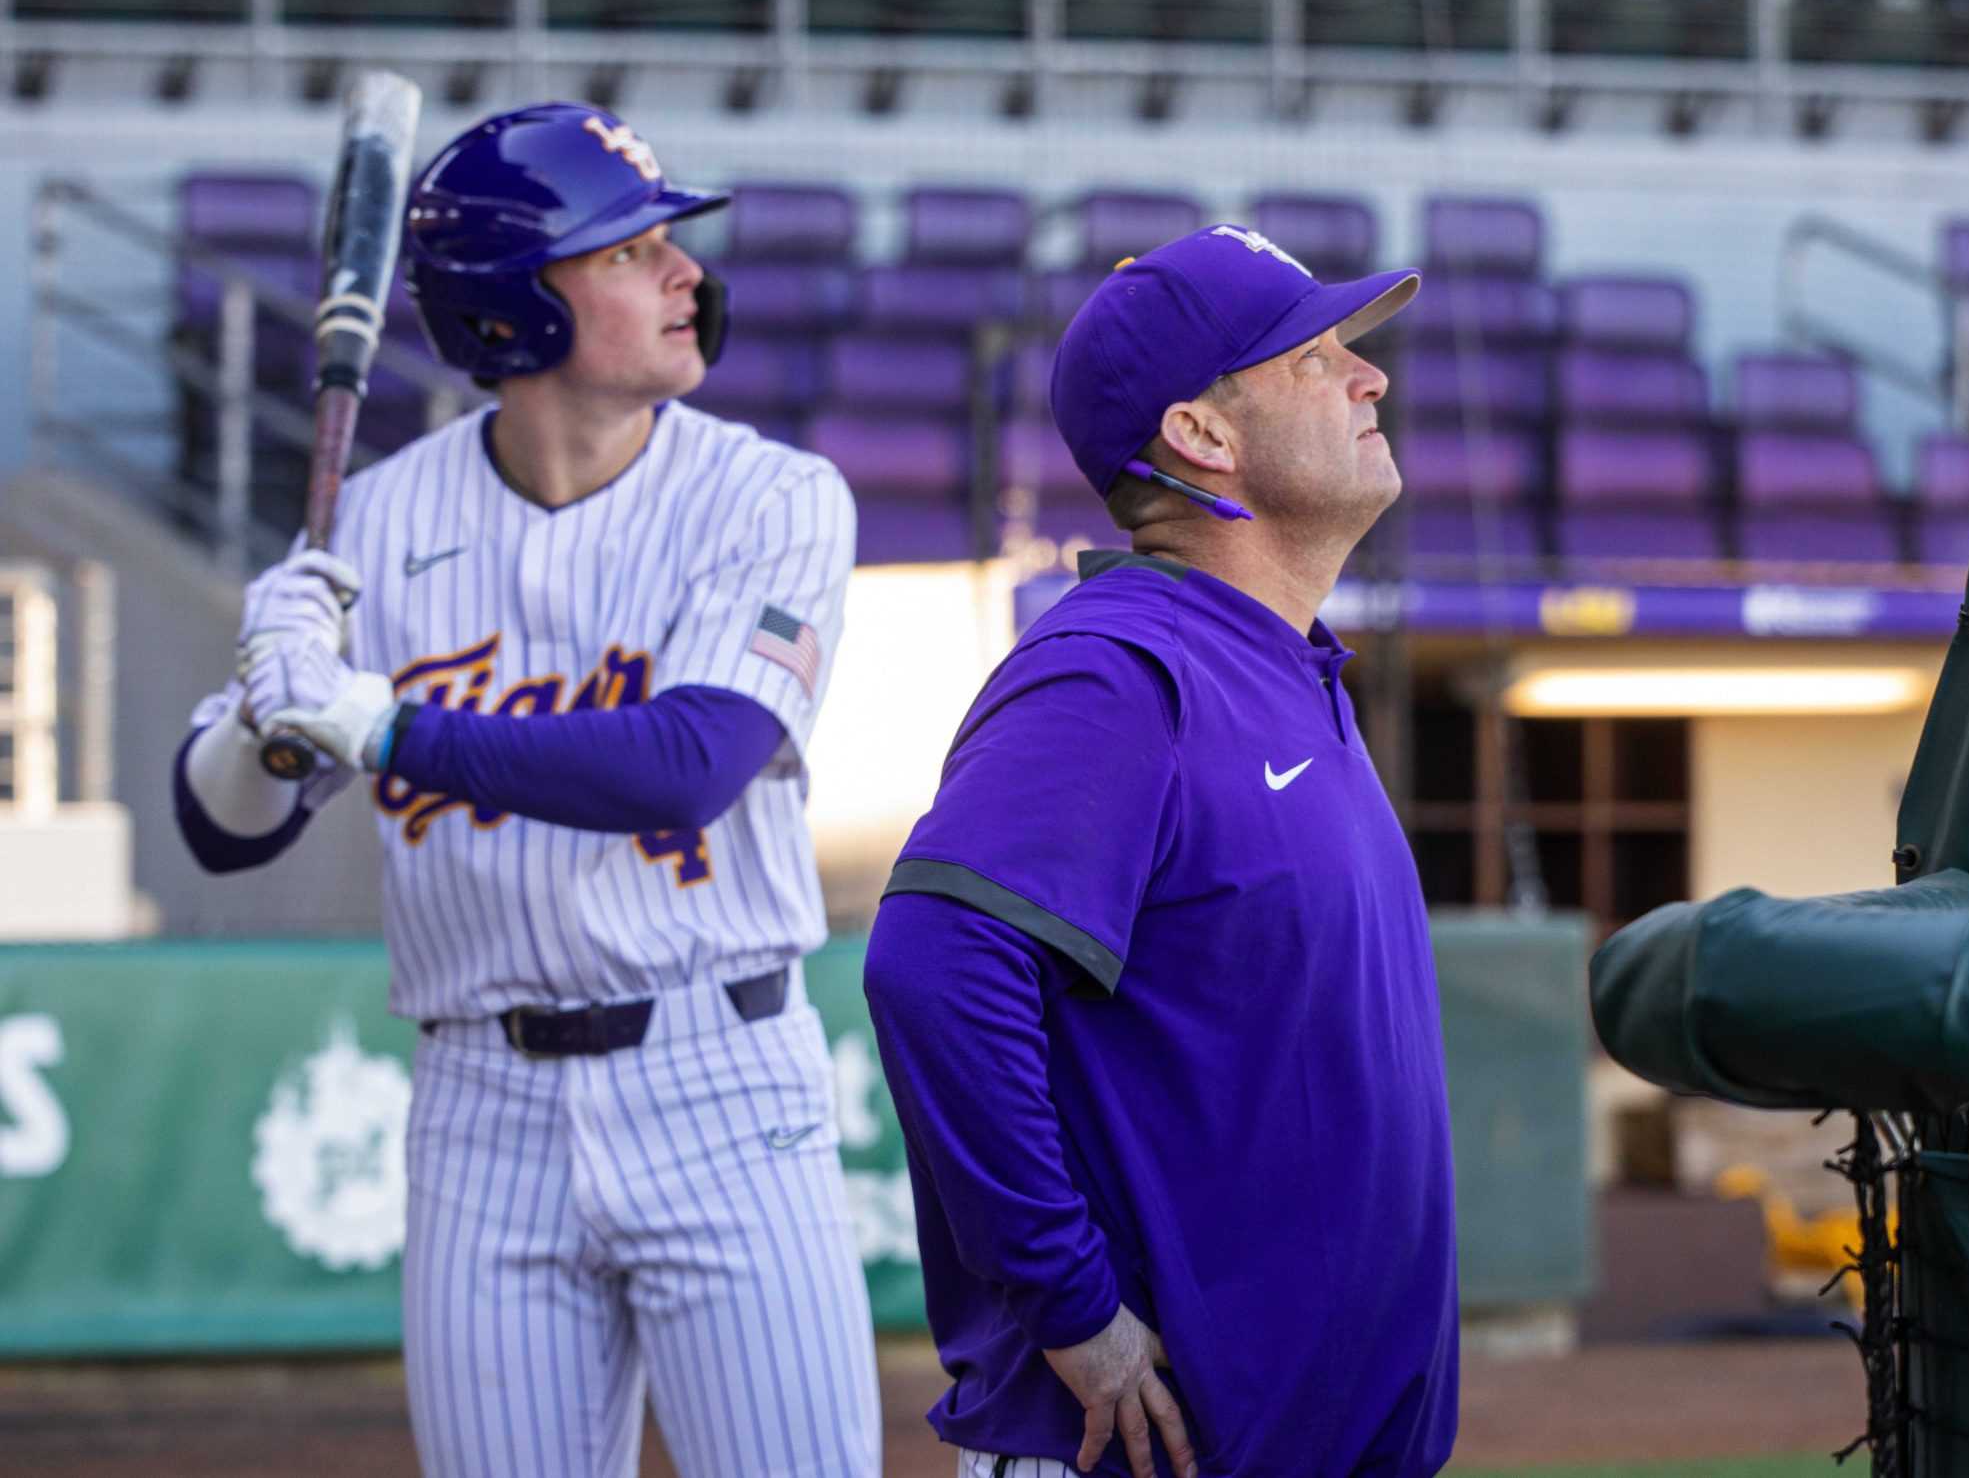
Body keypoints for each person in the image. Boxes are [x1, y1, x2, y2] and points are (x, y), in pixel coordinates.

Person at [171, 102, 882, 1478]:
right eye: (630, 247)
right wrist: (270, 705)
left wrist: (372, 719)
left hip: (722, 1078)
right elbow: (222, 829)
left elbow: (689, 765)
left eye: (671, 239)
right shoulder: (375, 523)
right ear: (518, 305)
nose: (685, 269)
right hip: (478, 1099)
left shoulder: (774, 498)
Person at [863, 224, 1460, 1478]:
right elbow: (931, 966)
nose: (1372, 379)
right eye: (1319, 357)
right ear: (1201, 436)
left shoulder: (1281, 665)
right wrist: (1076, 1314)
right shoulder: (1120, 667)